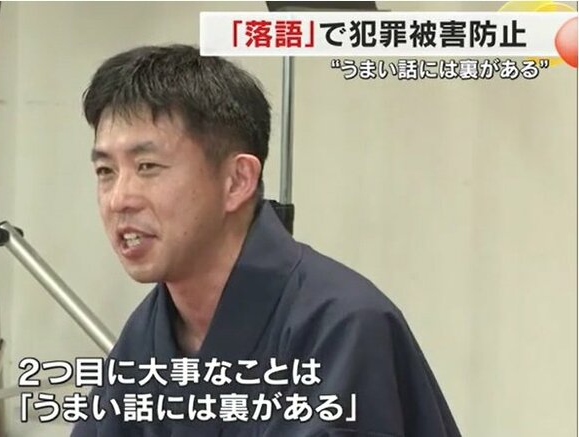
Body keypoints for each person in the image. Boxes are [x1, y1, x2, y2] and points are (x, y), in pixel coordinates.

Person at [71, 44, 461, 437]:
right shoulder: (145, 335)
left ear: (237, 181)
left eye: (147, 166)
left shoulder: (345, 325)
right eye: (105, 171)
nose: (118, 199)